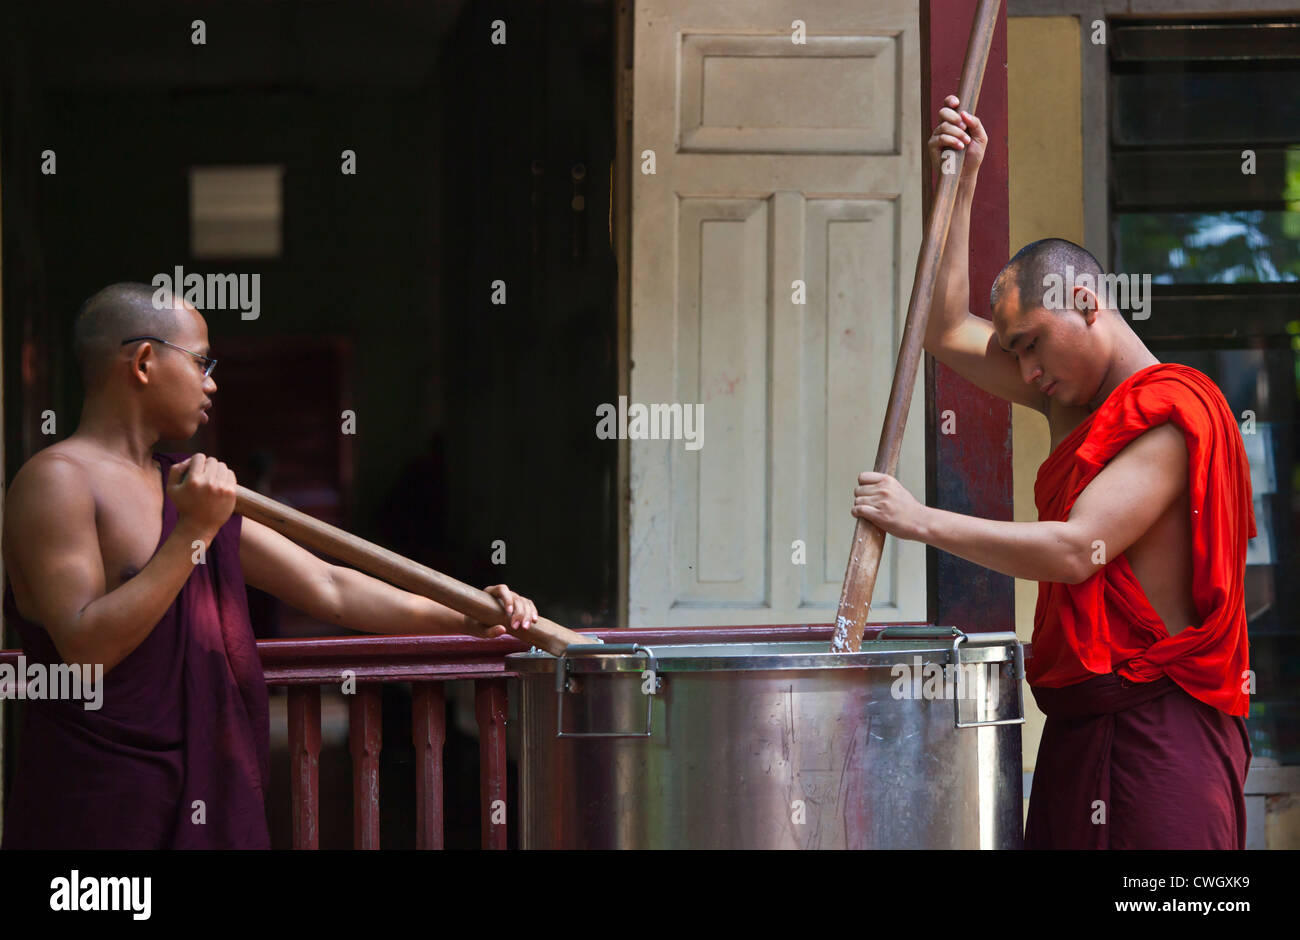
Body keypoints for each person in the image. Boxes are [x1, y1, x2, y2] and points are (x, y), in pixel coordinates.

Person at [1, 283, 539, 849]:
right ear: (142, 361)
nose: (212, 383)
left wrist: (467, 614)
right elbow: (85, 649)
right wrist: (193, 532)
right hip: (99, 802)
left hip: (201, 784)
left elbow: (328, 584)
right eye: (202, 361)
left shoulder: (184, 484)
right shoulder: (58, 481)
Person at [850, 96, 1254, 849]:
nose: (1025, 371)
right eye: (1015, 350)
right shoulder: (1071, 406)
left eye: (1033, 343)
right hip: (1079, 727)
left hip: (1161, 728)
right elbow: (941, 330)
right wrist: (966, 178)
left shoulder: (1169, 415)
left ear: (1086, 302)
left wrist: (919, 520)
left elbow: (1076, 550)